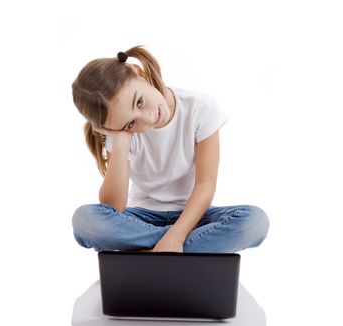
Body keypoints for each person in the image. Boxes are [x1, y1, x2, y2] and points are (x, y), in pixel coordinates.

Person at [71, 45, 269, 253]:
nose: (146, 119)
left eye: (139, 102)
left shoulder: (200, 108)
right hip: (140, 218)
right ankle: (176, 249)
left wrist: (177, 234)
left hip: (194, 217)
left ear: (139, 73)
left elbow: (205, 185)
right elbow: (113, 207)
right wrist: (120, 140)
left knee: (255, 222)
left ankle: (149, 250)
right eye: (130, 124)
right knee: (85, 220)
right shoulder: (120, 132)